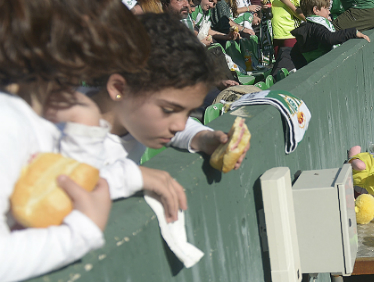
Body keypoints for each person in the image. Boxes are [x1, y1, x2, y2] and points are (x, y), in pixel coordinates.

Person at [0, 0, 149, 282]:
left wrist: (83, 130)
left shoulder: (53, 109)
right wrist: (81, 233)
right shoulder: (6, 120)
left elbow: (65, 196)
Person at [58, 13, 243, 224]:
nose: (179, 125)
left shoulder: (132, 115)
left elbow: (177, 124)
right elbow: (65, 183)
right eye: (168, 110)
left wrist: (201, 137)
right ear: (119, 88)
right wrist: (135, 176)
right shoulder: (63, 120)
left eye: (187, 112)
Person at [290, 0, 374, 69]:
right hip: (323, 67)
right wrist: (352, 32)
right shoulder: (317, 28)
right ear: (316, 10)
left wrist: (303, 69)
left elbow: (294, 52)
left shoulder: (307, 27)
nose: (329, 12)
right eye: (326, 8)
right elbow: (330, 38)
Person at [267, 0, 305, 74]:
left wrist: (289, 4)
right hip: (275, 37)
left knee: (290, 69)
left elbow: (304, 17)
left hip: (290, 36)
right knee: (279, 72)